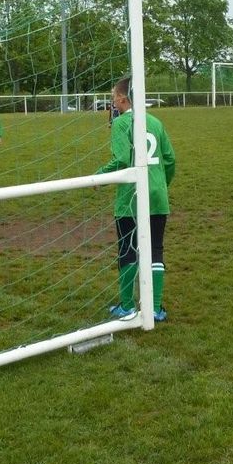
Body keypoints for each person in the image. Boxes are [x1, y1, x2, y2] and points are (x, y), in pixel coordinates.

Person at [96, 76, 176, 322]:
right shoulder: (155, 122)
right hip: (157, 195)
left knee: (128, 250)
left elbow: (121, 159)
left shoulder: (121, 124)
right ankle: (154, 308)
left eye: (113, 97)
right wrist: (161, 184)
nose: (112, 102)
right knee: (155, 250)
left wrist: (100, 176)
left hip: (131, 197)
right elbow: (170, 159)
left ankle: (128, 306)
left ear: (122, 98)